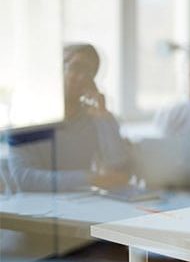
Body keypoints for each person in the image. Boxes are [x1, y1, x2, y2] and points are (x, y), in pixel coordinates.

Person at [7, 43, 131, 192]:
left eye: (89, 73)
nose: (82, 77)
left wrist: (104, 118)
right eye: (76, 67)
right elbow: (24, 179)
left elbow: (117, 166)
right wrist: (89, 178)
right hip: (28, 209)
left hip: (75, 204)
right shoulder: (25, 116)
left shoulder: (92, 118)